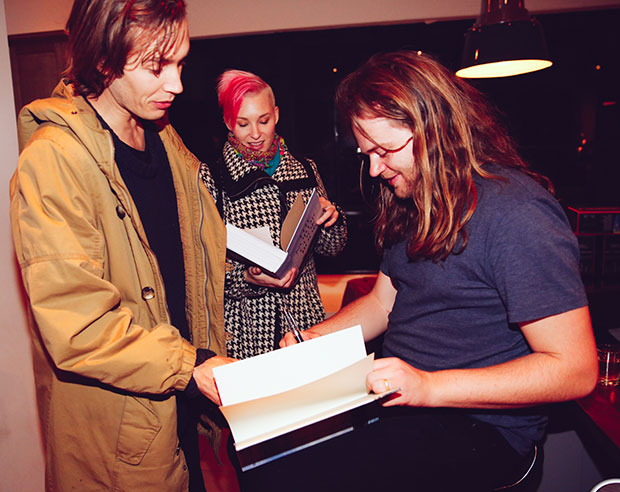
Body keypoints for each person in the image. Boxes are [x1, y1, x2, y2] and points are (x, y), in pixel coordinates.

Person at [279, 50, 598, 491]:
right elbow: (381, 304)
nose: (374, 169)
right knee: (274, 456)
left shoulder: (516, 214)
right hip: (407, 405)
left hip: (481, 431)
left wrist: (428, 386)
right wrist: (314, 340)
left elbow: (576, 370)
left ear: (434, 130)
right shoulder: (412, 202)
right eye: (365, 154)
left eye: (385, 150)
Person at [9, 1, 235, 491]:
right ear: (105, 60)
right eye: (156, 66)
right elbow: (79, 324)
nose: (175, 84)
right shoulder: (54, 160)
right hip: (120, 445)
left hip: (178, 419)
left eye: (180, 63)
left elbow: (179, 270)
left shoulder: (165, 139)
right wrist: (191, 364)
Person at [200, 69, 347, 360]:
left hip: (306, 323)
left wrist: (332, 220)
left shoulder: (305, 170)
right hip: (247, 334)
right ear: (229, 122)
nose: (255, 134)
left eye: (263, 120)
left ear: (276, 115)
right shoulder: (211, 179)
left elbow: (332, 249)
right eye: (243, 123)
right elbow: (201, 271)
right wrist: (245, 278)